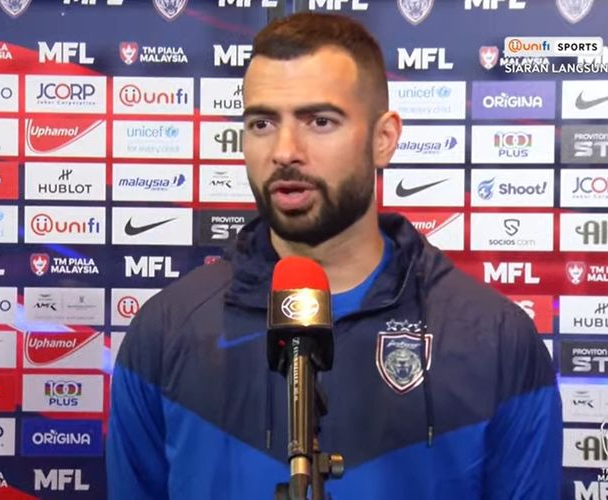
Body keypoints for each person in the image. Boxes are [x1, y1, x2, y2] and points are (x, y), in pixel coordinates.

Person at [107, 12, 562, 500]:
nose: (285, 150)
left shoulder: (497, 340)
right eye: (262, 122)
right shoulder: (165, 332)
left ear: (383, 139)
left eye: (320, 121)